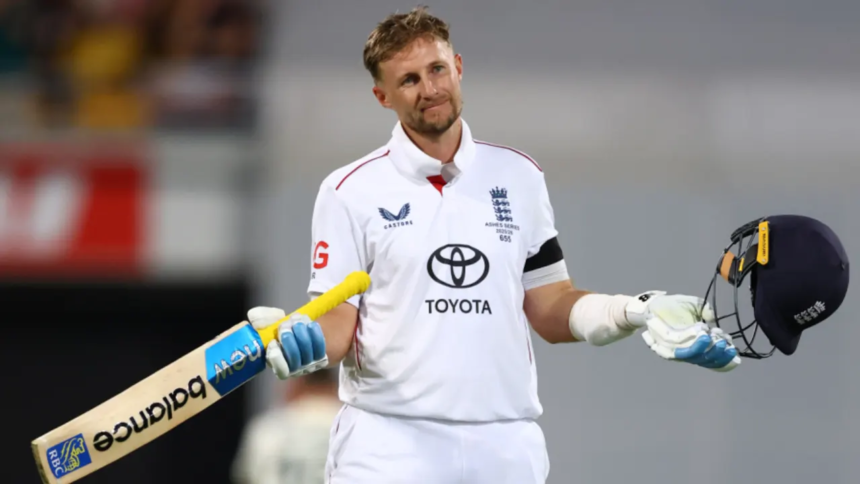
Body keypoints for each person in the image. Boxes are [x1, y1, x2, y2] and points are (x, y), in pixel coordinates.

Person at [244, 6, 743, 483]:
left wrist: (636, 310)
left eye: (437, 69)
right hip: (388, 443)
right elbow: (337, 324)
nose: (429, 88)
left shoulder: (519, 175)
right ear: (383, 97)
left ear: (458, 68)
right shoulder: (348, 190)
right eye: (409, 80)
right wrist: (304, 346)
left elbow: (550, 308)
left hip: (505, 445)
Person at [231, 368, 341, 484]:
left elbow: (245, 478)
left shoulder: (266, 429)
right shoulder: (352, 427)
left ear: (296, 384)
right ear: (335, 385)